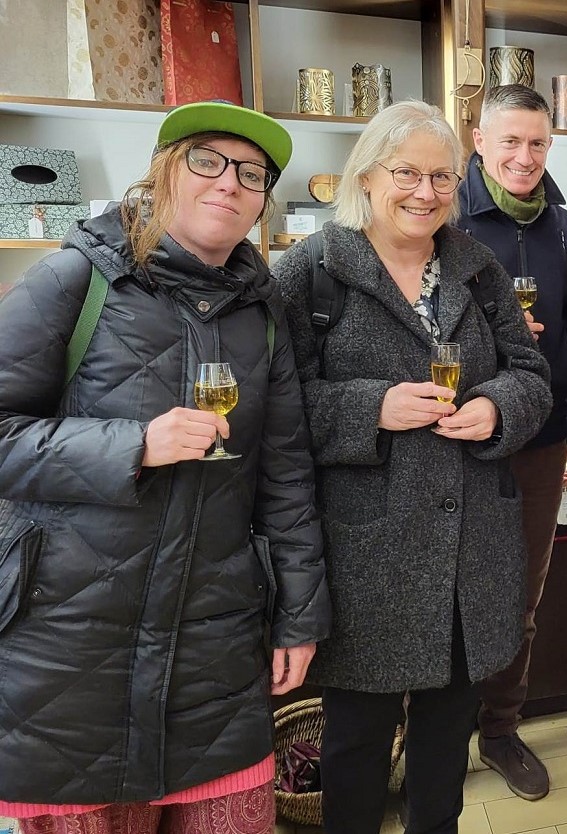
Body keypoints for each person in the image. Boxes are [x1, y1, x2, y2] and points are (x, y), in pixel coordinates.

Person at [0, 101, 330, 832]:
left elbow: (284, 477)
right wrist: (131, 446)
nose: (229, 183)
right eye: (206, 161)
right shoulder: (74, 281)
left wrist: (300, 620)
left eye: (251, 174)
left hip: (216, 640)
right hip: (71, 645)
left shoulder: (263, 313)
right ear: (163, 174)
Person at [274, 100, 552, 834]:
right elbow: (275, 406)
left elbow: (531, 372)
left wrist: (495, 408)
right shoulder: (312, 271)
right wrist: (369, 408)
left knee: (444, 742)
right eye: (407, 173)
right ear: (367, 175)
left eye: (441, 177)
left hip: (469, 553)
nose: (425, 192)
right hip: (366, 554)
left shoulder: (475, 266)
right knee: (356, 743)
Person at [456, 83, 567, 801]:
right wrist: (491, 339)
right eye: (509, 140)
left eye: (537, 142)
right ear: (479, 141)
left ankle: (501, 730)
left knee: (519, 597)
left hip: (539, 440)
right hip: (453, 438)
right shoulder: (441, 215)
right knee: (441, 590)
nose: (524, 156)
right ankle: (431, 732)